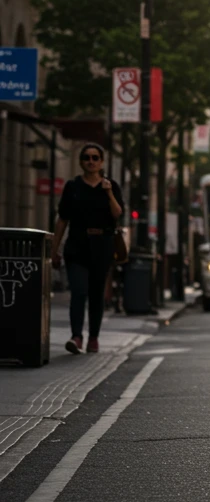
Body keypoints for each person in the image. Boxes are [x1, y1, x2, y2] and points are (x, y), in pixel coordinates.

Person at [51, 144, 124, 354]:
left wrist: (109, 192)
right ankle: (76, 336)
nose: (90, 161)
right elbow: (62, 220)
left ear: (101, 162)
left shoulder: (111, 186)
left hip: (102, 247)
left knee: (96, 294)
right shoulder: (73, 187)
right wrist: (54, 249)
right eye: (86, 158)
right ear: (81, 161)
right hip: (77, 246)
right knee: (79, 291)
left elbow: (117, 213)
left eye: (95, 158)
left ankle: (94, 337)